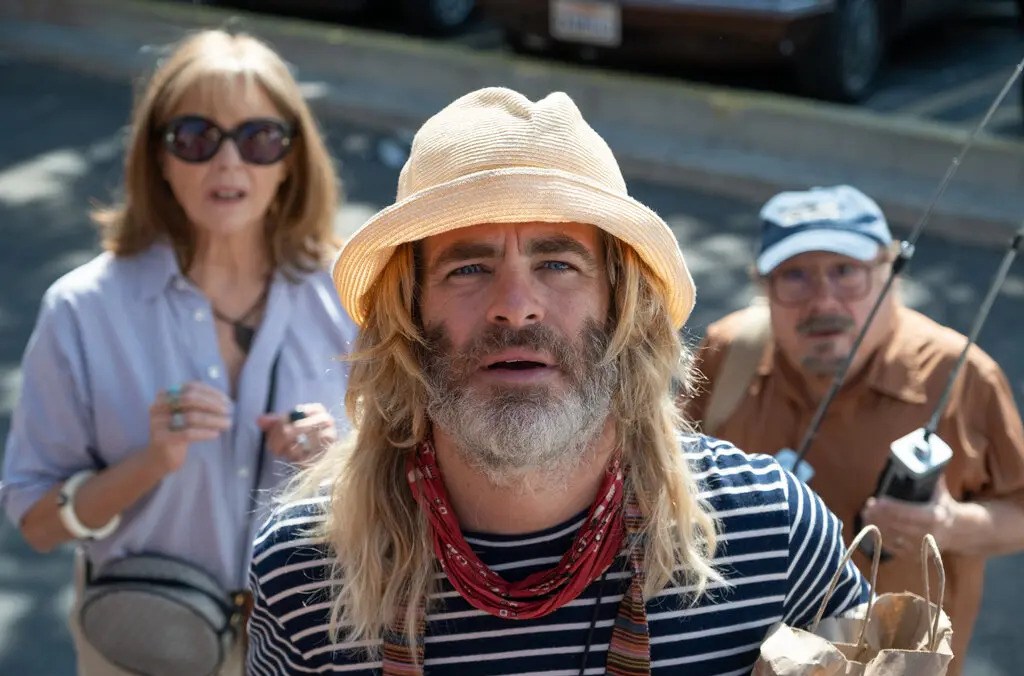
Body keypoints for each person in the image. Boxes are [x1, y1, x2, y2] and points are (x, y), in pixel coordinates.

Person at [245, 87, 870, 675]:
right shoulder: (306, 572)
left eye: (557, 263)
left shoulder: (772, 535)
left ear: (622, 305)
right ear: (407, 314)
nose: (516, 306)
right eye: (468, 267)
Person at [0, 29, 357, 675]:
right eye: (196, 137)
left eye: (258, 138)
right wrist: (150, 461)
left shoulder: (351, 298)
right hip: (143, 642)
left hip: (315, 645)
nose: (228, 163)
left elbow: (415, 492)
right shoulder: (83, 309)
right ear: (158, 156)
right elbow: (38, 525)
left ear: (291, 159)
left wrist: (336, 464)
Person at [687, 184, 1024, 674]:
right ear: (763, 286)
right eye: (795, 276)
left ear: (890, 274)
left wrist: (949, 525)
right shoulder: (728, 353)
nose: (823, 300)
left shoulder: (961, 375)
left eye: (846, 272)